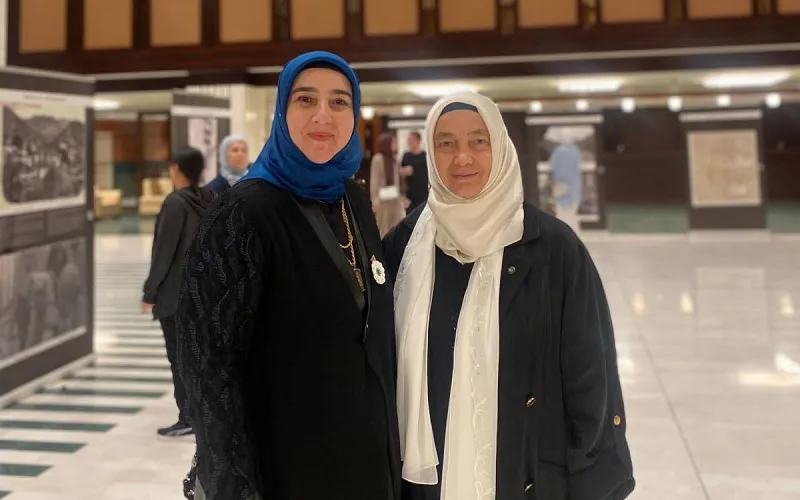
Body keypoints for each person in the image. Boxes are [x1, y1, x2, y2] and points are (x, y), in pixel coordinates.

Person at [383, 92, 635, 500]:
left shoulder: (554, 249)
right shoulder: (403, 246)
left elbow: (591, 376)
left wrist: (593, 481)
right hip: (425, 486)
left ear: (500, 147)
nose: (462, 157)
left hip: (528, 477)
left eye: (478, 141)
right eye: (446, 143)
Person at [176, 51, 401, 500]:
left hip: (365, 460)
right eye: (306, 99)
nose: (324, 115)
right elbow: (207, 367)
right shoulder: (243, 212)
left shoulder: (352, 199)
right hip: (284, 466)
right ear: (282, 111)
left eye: (339, 102)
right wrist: (235, 486)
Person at [141, 147, 215, 438]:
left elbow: (164, 253)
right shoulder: (210, 198)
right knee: (199, 357)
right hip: (203, 292)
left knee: (180, 358)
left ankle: (187, 416)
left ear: (175, 169)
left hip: (176, 296)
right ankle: (204, 413)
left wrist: (150, 293)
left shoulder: (175, 203)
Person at [370, 132, 406, 236]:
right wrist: (375, 199)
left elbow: (397, 180)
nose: (396, 145)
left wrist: (402, 197)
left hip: (395, 198)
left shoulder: (394, 159)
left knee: (398, 225)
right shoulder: (378, 159)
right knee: (384, 227)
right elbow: (375, 180)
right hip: (383, 199)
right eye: (393, 142)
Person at [550, 143, 583, 234]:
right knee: (572, 213)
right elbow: (578, 167)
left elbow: (552, 168)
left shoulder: (557, 152)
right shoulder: (575, 151)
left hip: (560, 184)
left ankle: (562, 233)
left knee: (561, 213)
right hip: (573, 186)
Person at [400, 131, 428, 213]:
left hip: (423, 192)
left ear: (418, 141)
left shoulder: (425, 156)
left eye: (411, 140)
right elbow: (401, 171)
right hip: (409, 193)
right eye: (408, 140)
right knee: (410, 215)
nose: (409, 142)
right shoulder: (406, 155)